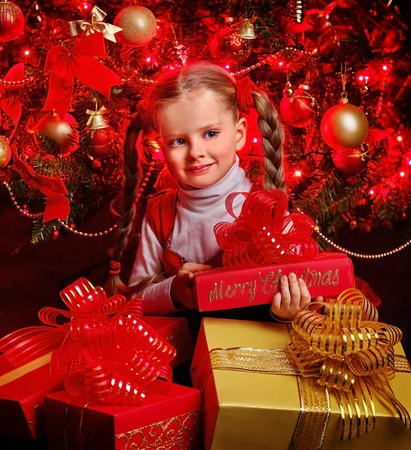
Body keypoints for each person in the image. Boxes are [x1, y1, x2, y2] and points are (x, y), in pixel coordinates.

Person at [107, 61, 321, 321]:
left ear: (239, 134)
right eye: (178, 141)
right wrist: (173, 290)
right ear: (161, 147)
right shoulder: (159, 213)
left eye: (210, 133)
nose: (196, 152)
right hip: (185, 352)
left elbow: (303, 299)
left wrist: (286, 312)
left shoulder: (269, 211)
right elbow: (137, 299)